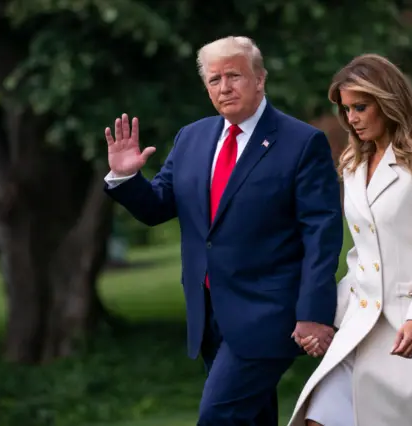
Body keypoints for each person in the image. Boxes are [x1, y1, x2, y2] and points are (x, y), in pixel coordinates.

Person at [102, 36, 344, 426]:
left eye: (234, 75)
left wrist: (313, 312)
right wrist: (127, 178)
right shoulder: (192, 137)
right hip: (209, 313)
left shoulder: (302, 143)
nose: (224, 87)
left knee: (219, 417)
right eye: (214, 80)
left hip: (270, 314)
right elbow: (157, 207)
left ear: (260, 79)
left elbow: (322, 232)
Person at [287, 54, 412, 426]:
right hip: (361, 325)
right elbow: (361, 255)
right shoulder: (352, 162)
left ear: (388, 101)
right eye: (346, 109)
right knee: (318, 418)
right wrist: (325, 317)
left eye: (361, 107)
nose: (352, 118)